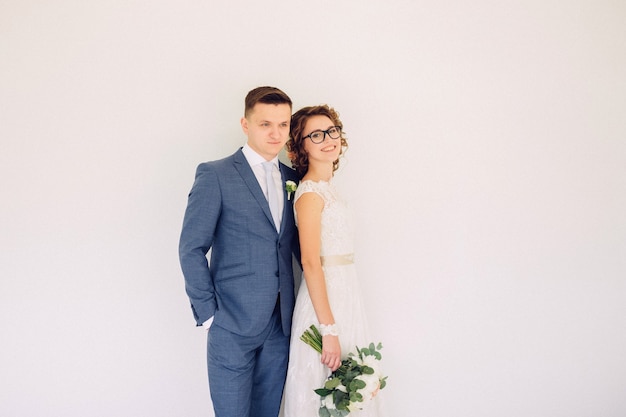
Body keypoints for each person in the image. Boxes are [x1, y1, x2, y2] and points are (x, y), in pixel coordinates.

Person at [179, 86, 300, 417]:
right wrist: (209, 316)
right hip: (231, 324)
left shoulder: (293, 179)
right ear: (246, 125)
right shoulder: (215, 174)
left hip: (280, 325)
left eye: (283, 124)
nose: (276, 133)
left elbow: (296, 249)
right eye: (265, 124)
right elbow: (191, 248)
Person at [283, 105, 383, 416]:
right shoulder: (310, 194)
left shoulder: (331, 191)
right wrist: (328, 329)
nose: (328, 139)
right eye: (316, 135)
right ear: (301, 146)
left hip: (347, 294)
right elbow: (310, 263)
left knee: (352, 395)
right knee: (324, 390)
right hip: (323, 303)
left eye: (331, 130)